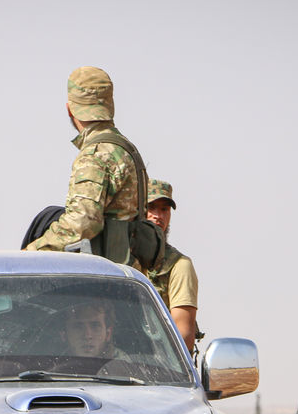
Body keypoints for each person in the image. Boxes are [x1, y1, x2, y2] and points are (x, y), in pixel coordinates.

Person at [25, 66, 158, 269]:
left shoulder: (96, 154)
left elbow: (83, 221)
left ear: (69, 109)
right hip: (128, 276)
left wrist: (33, 252)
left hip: (104, 280)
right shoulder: (126, 149)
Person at [143, 179, 199, 351]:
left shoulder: (178, 265)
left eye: (164, 209)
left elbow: (183, 335)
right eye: (150, 207)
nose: (158, 216)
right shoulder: (121, 259)